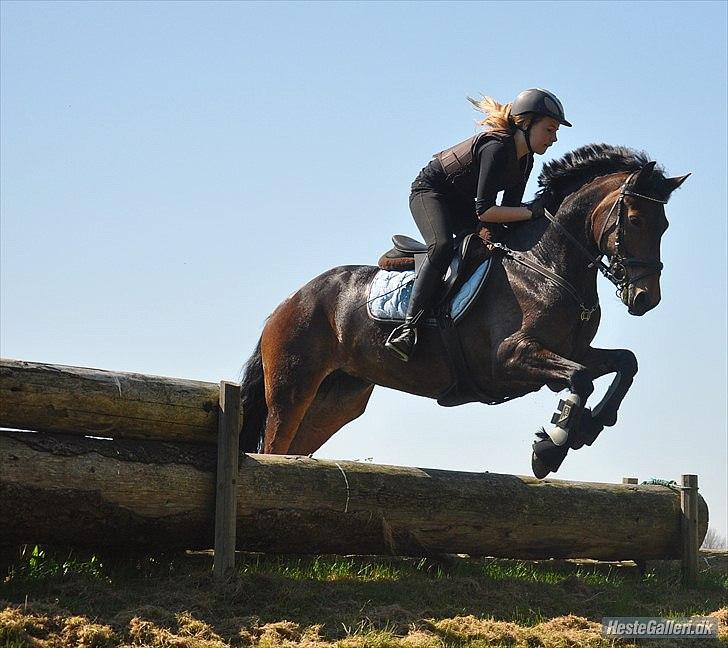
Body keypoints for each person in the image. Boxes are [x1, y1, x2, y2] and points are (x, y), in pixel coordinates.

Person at [385, 88, 572, 362]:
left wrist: (533, 218)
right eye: (550, 129)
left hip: (462, 200)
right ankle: (408, 328)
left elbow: (509, 211)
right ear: (526, 123)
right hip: (431, 192)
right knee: (443, 246)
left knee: (486, 248)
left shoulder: (526, 160)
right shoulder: (496, 147)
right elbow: (486, 211)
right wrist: (531, 213)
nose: (554, 139)